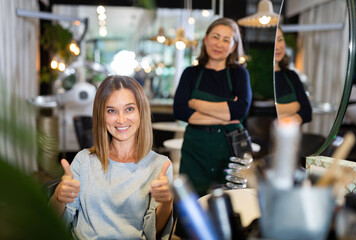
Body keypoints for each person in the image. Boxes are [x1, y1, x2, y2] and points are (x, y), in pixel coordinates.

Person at [50, 75, 174, 240]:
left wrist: (167, 203)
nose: (121, 119)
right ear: (101, 115)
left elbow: (154, 233)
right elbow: (53, 223)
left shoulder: (160, 165)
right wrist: (59, 196)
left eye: (129, 109)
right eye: (111, 111)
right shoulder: (83, 160)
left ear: (141, 112)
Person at [173, 17, 252, 197]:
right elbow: (180, 110)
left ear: (233, 46)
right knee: (191, 200)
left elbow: (241, 111)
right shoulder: (191, 73)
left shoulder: (240, 73)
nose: (219, 44)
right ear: (206, 39)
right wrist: (225, 114)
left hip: (229, 147)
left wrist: (196, 104)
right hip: (195, 147)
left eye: (226, 40)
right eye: (215, 37)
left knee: (229, 202)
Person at [274, 27, 312, 124]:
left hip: (292, 137)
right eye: (273, 42)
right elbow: (261, 113)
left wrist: (287, 123)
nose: (277, 47)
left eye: (280, 40)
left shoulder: (292, 76)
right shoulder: (257, 78)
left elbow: (307, 112)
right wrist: (294, 107)